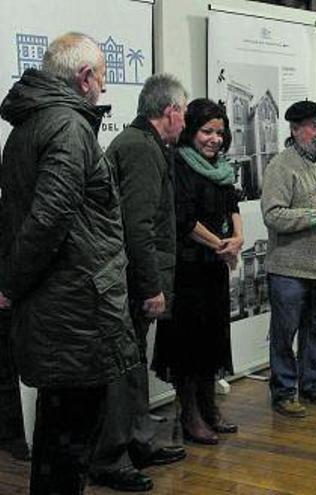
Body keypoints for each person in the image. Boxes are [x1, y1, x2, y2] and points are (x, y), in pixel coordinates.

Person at [0, 33, 140, 494]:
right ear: (84, 78)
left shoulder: (33, 124)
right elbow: (47, 218)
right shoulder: (69, 127)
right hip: (77, 311)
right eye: (101, 77)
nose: (103, 88)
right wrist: (12, 284)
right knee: (70, 443)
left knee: (57, 438)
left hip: (59, 306)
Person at [89, 74, 189, 492]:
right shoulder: (140, 149)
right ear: (170, 112)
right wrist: (151, 287)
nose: (185, 120)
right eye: (183, 111)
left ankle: (139, 441)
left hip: (131, 279)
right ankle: (111, 458)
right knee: (122, 371)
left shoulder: (144, 144)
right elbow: (137, 228)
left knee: (131, 368)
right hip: (130, 283)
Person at [152, 98, 242, 445]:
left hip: (214, 268)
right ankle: (188, 414)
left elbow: (232, 201)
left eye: (220, 133)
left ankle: (208, 407)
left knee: (213, 338)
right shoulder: (178, 164)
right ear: (191, 131)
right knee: (188, 345)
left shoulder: (221, 166)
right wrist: (221, 244)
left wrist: (238, 236)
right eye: (207, 131)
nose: (214, 139)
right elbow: (183, 220)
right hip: (187, 269)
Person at [262, 100, 316, 417]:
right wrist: (315, 216)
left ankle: (313, 384)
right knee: (285, 334)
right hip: (288, 269)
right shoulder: (280, 167)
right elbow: (273, 215)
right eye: (313, 126)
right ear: (295, 130)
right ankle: (284, 392)